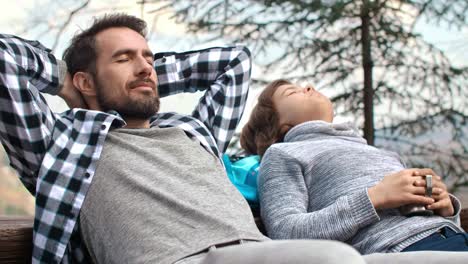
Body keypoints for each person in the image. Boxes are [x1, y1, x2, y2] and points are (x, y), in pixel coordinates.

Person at [0, 14, 369, 264]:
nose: (146, 66)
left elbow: (234, 63)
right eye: (123, 58)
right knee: (333, 259)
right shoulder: (62, 143)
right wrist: (66, 80)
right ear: (84, 81)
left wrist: (135, 74)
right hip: (179, 259)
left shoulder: (195, 131)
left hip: (260, 252)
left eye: (149, 58)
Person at [240, 79, 468, 256]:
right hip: (397, 250)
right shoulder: (281, 154)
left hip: (452, 238)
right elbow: (286, 232)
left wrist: (445, 209)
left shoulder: (380, 152)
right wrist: (374, 198)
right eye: (292, 92)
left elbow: (421, 218)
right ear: (280, 125)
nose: (308, 87)